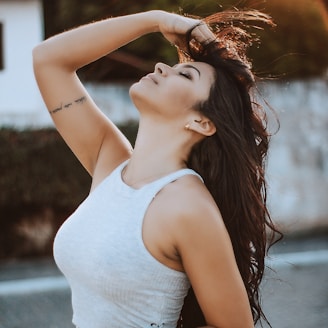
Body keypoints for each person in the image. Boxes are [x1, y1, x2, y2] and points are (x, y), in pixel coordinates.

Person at [33, 7, 281, 328]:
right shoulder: (110, 163)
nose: (163, 66)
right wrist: (154, 20)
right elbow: (47, 60)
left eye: (186, 74)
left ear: (202, 122)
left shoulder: (187, 206)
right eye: (175, 66)